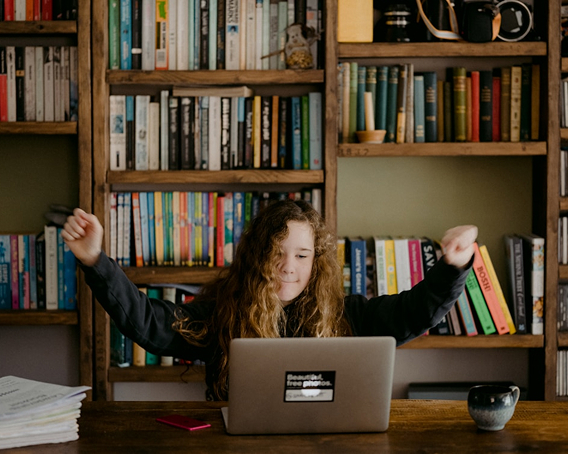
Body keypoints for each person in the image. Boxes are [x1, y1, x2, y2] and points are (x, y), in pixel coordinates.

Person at [63, 199, 477, 401]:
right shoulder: (224, 315)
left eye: (301, 255)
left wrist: (453, 267)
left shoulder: (348, 315)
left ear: (316, 262)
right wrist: (96, 261)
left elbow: (412, 313)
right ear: (257, 256)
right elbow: (149, 323)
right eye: (276, 253)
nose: (288, 267)